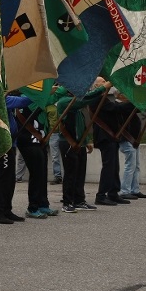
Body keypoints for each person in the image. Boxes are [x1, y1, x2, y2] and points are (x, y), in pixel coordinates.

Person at [52, 79, 110, 212]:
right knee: (71, 174)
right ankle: (67, 202)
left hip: (79, 143)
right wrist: (102, 88)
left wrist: (87, 141)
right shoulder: (65, 102)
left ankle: (79, 200)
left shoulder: (76, 107)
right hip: (67, 143)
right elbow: (86, 99)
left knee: (80, 173)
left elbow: (82, 124)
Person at [0, 92, 32, 225]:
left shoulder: (3, 98)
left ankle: (6, 209)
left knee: (9, 178)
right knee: (3, 178)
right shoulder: (2, 99)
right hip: (3, 144)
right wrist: (38, 92)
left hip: (10, 143)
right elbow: (24, 101)